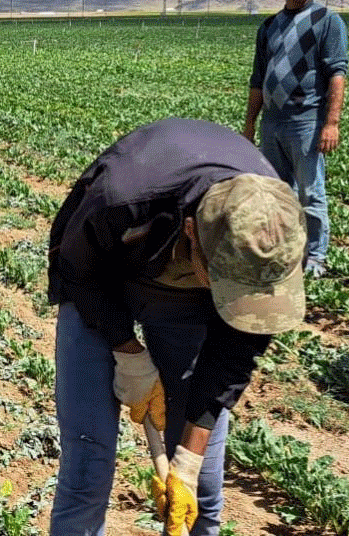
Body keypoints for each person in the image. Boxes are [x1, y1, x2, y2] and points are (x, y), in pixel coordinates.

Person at [47, 118, 307, 536]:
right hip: (99, 281)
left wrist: (189, 458)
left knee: (199, 487)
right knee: (88, 466)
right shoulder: (123, 197)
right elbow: (76, 272)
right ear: (192, 232)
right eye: (227, 285)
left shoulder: (277, 235)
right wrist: (127, 350)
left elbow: (238, 348)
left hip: (181, 297)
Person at [243, 0, 348, 279]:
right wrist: (249, 125)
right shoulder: (270, 26)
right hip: (272, 122)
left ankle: (315, 257)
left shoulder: (327, 20)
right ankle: (281, 250)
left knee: (310, 194)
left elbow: (337, 74)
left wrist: (330, 123)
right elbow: (258, 79)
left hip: (306, 121)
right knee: (275, 192)